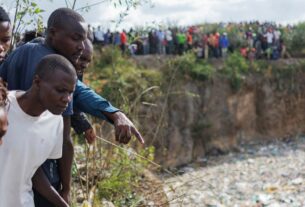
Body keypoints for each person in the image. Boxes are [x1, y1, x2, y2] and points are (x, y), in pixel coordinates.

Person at [0, 8, 144, 206]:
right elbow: (65, 139)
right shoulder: (46, 66)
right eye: (76, 39)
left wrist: (105, 115)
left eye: (83, 40)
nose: (81, 46)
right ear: (53, 33)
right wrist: (65, 191)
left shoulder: (29, 52)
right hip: (35, 174)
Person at [0, 54, 76, 207]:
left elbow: (31, 169)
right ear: (37, 82)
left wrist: (62, 203)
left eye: (70, 92)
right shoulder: (4, 108)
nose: (67, 99)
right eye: (60, 90)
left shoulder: (55, 121)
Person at [71, 38, 96, 144]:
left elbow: (74, 97)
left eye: (88, 61)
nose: (85, 65)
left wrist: (85, 125)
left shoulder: (78, 70)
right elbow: (67, 101)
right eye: (82, 59)